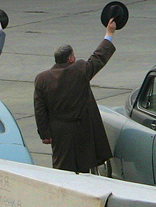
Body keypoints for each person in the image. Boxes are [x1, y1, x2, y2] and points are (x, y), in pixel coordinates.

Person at [33, 18, 117, 173]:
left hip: (59, 132)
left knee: (63, 169)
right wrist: (109, 33)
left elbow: (40, 110)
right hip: (82, 128)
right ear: (71, 58)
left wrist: (45, 134)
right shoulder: (79, 70)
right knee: (85, 166)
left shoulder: (42, 79)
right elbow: (98, 58)